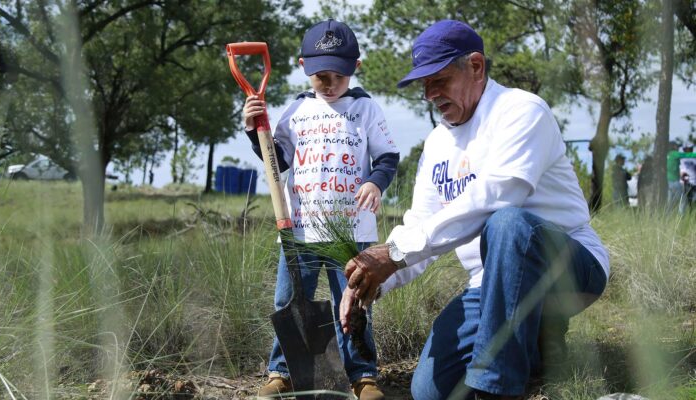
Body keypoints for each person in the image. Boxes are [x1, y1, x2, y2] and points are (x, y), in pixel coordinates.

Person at [338, 20, 609, 400]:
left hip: (571, 268)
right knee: (429, 390)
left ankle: (496, 389)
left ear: (476, 66)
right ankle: (540, 346)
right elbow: (421, 224)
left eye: (440, 80)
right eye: (424, 85)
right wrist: (377, 278)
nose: (430, 94)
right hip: (491, 285)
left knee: (508, 223)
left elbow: (501, 194)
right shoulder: (436, 144)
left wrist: (395, 255)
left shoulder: (521, 111)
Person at [243, 19, 400, 400]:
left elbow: (388, 157)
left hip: (351, 233)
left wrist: (374, 183)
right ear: (303, 67)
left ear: (355, 67)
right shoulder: (296, 110)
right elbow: (276, 160)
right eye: (321, 76)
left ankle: (362, 374)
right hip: (300, 230)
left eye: (339, 75)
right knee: (290, 300)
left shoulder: (365, 108)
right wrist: (253, 130)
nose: (330, 83)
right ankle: (283, 371)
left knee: (356, 303)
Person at [666, 141, 696, 211]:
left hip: (669, 182)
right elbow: (688, 155)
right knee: (683, 200)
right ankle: (681, 217)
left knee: (669, 203)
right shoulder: (675, 154)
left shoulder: (668, 155)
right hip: (675, 182)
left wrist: (681, 175)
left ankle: (666, 218)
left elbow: (674, 168)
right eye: (677, 146)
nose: (678, 148)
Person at [679, 143, 696, 214]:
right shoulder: (683, 158)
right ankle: (682, 218)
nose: (691, 149)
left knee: (691, 201)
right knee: (685, 201)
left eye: (691, 148)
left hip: (693, 182)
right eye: (690, 148)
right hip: (686, 183)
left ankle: (690, 215)